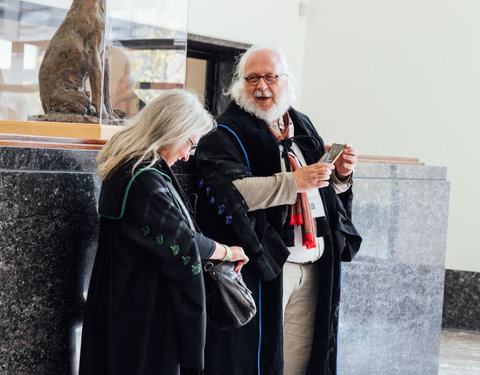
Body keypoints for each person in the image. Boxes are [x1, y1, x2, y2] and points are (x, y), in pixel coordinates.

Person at [194, 46, 362, 375]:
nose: (261, 87)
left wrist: (340, 175)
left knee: (301, 360)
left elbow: (322, 189)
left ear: (286, 80)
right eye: (252, 78)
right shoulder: (226, 132)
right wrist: (293, 182)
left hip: (313, 266)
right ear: (239, 84)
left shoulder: (301, 125)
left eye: (270, 77)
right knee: (258, 359)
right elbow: (230, 192)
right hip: (266, 268)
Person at [78, 89, 249, 375]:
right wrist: (228, 252)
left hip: (125, 298)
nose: (187, 156)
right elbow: (183, 241)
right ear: (172, 130)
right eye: (190, 144)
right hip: (143, 309)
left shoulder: (130, 167)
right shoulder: (143, 178)